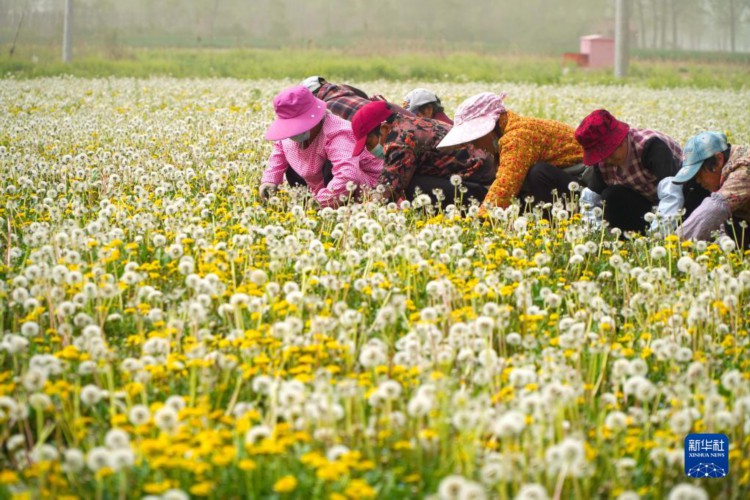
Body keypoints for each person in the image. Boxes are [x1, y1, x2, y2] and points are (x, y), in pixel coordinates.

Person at [436, 92, 584, 211]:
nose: (475, 146)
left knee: (538, 173)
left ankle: (551, 224)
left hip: (582, 185)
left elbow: (506, 185)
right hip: (566, 179)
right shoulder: (510, 130)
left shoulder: (516, 137)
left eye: (475, 139)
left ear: (490, 129)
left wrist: (483, 219)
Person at [574, 109, 705, 233]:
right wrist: (596, 233)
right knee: (611, 195)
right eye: (600, 155)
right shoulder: (603, 162)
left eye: (609, 152)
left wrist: (657, 237)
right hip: (646, 206)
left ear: (620, 140)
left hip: (681, 203)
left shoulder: (651, 146)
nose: (606, 159)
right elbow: (590, 200)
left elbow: (672, 195)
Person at [350, 101, 495, 207]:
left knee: (414, 187)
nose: (369, 150)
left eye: (369, 143)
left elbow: (388, 190)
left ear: (384, 128)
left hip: (479, 188)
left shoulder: (400, 141)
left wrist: (359, 210)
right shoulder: (409, 123)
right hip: (481, 178)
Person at [260, 85, 382, 207]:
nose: (293, 132)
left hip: (362, 188)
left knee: (331, 166)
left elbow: (348, 175)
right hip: (319, 186)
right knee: (291, 161)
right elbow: (278, 155)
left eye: (298, 125)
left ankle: (332, 204)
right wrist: (269, 182)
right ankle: (313, 200)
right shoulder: (288, 137)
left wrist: (318, 204)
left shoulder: (338, 132)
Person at [673, 131, 750, 248]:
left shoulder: (745, 167)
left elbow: (715, 208)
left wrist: (673, 245)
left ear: (718, 160)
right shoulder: (728, 168)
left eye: (699, 174)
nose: (698, 181)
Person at [301, 76, 385, 121]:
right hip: (389, 119)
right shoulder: (344, 88)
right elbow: (364, 95)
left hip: (380, 136)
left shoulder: (327, 109)